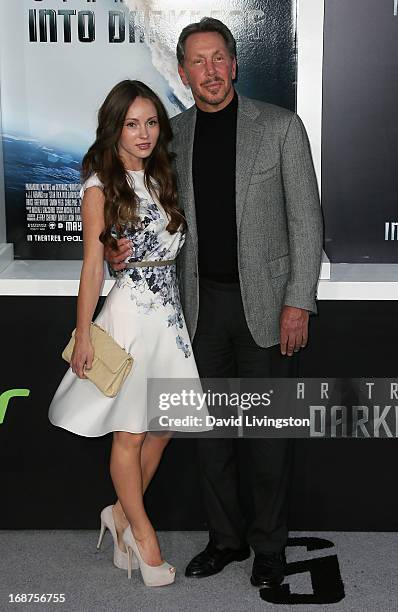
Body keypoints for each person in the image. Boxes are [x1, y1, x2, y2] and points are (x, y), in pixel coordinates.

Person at [105, 18, 323, 588]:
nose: (211, 71)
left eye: (219, 58)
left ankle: (270, 548)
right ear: (182, 72)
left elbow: (306, 221)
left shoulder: (280, 128)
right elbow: (132, 209)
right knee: (209, 436)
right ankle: (225, 540)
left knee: (270, 436)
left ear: (235, 63)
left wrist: (298, 301)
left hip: (270, 309)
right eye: (198, 62)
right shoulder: (169, 138)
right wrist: (115, 249)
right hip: (196, 310)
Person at [48, 80, 210, 587]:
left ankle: (118, 514)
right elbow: (93, 267)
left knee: (162, 427)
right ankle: (143, 536)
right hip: (130, 312)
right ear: (114, 128)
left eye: (151, 122)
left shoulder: (163, 173)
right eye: (132, 123)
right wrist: (84, 333)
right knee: (131, 430)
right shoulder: (100, 183)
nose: (143, 133)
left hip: (168, 316)